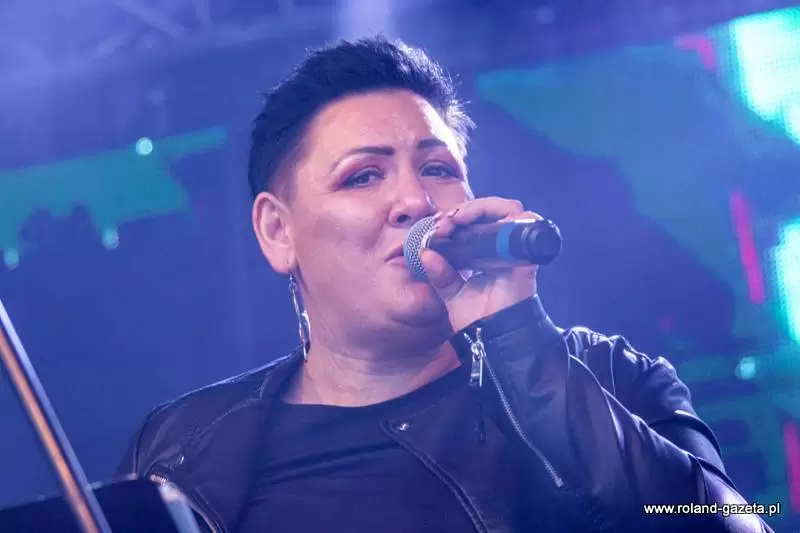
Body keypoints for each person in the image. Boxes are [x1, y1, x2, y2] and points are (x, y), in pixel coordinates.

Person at [116, 36, 773, 533]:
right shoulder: (181, 449)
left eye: (437, 168)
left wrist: (523, 349)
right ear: (277, 231)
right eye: (362, 176)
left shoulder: (609, 376)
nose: (414, 199)